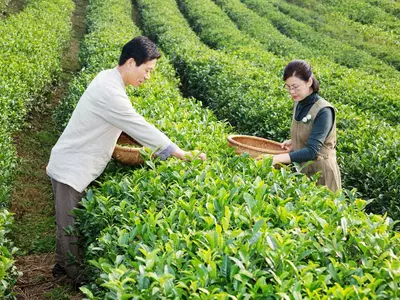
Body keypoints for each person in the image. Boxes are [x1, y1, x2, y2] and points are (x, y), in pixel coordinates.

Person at [46, 36, 206, 284]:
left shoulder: (107, 78)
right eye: (148, 70)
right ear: (131, 62)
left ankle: (61, 266)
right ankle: (74, 277)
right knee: (70, 225)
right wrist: (180, 153)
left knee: (65, 219)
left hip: (73, 162)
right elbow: (138, 125)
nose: (148, 77)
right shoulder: (110, 92)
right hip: (71, 167)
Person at [269, 60, 341, 192]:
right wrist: (295, 141)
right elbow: (309, 132)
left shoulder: (324, 111)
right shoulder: (299, 102)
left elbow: (312, 150)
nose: (292, 91)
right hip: (302, 170)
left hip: (322, 174)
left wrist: (277, 158)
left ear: (309, 82)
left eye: (295, 87)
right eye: (288, 87)